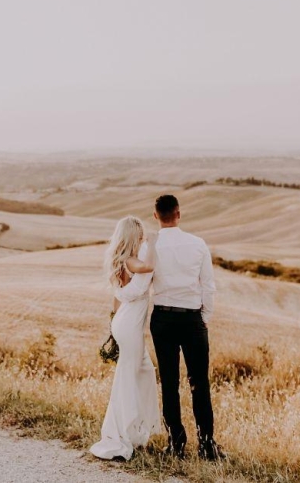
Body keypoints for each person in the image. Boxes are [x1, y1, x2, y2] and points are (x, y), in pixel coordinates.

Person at [117, 194, 221, 461]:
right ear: (179, 213)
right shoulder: (198, 244)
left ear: (155, 216)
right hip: (192, 319)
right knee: (200, 383)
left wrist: (118, 295)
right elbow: (207, 285)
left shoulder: (149, 248)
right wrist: (204, 317)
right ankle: (207, 445)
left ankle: (176, 443)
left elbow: (141, 286)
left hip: (162, 319)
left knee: (170, 383)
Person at [89, 216, 162, 461]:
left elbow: (116, 297)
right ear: (133, 236)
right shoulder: (131, 261)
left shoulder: (120, 261)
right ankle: (120, 435)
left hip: (124, 321)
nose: (142, 238)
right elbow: (150, 267)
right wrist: (152, 242)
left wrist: (113, 324)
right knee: (128, 377)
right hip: (129, 325)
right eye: (140, 235)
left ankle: (133, 430)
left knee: (142, 371)